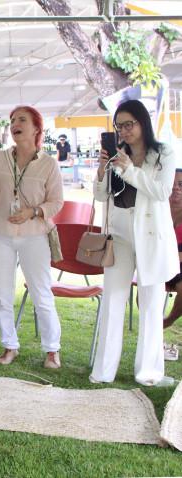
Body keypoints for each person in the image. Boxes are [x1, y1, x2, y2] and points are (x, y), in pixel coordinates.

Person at [89, 99, 178, 387]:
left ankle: (149, 372)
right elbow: (103, 196)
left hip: (151, 233)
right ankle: (103, 371)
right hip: (120, 232)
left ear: (143, 122)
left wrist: (129, 170)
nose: (125, 131)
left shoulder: (163, 152)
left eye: (129, 124)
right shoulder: (117, 155)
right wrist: (103, 171)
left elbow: (162, 191)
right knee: (113, 299)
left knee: (152, 303)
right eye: (119, 126)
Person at [0, 105, 63, 368]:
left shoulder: (48, 164)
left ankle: (52, 350)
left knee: (41, 294)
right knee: (2, 294)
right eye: (12, 120)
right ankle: (9, 346)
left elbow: (56, 202)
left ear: (36, 128)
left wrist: (33, 211)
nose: (15, 124)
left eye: (21, 120)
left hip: (34, 236)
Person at [163, 169, 182, 330]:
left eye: (181, 184)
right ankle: (152, 326)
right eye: (172, 184)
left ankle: (167, 321)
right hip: (159, 262)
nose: (176, 188)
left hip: (180, 268)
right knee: (146, 287)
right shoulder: (157, 210)